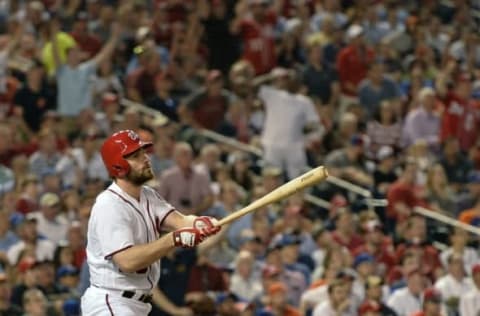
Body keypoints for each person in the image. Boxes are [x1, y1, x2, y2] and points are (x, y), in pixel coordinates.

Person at [80, 130, 222, 315]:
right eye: (136, 156)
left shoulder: (147, 195)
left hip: (136, 304)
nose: (146, 159)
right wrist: (173, 240)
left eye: (144, 153)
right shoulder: (110, 205)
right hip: (112, 301)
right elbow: (127, 261)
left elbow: (180, 221)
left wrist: (200, 223)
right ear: (118, 165)